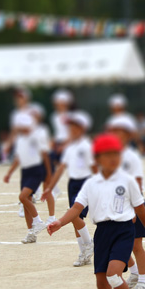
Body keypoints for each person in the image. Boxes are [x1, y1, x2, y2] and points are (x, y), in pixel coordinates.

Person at [47, 134, 145, 289]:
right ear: (97, 158)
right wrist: (60, 222)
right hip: (102, 233)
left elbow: (140, 209)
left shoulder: (127, 181)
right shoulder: (91, 183)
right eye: (107, 154)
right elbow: (77, 208)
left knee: (113, 275)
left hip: (124, 230)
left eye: (116, 153)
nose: (113, 158)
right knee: (101, 282)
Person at [44, 111, 96, 265]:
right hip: (73, 184)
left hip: (86, 183)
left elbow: (94, 168)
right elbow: (61, 168)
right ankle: (84, 252)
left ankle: (88, 245)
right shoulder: (70, 148)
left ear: (82, 128)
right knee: (74, 219)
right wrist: (49, 188)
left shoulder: (87, 146)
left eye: (74, 127)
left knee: (74, 216)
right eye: (70, 127)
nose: (71, 130)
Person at [108, 117, 145, 289]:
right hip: (116, 204)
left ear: (128, 135)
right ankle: (134, 273)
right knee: (118, 243)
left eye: (120, 132)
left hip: (133, 203)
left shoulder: (131, 157)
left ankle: (144, 281)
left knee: (136, 245)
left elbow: (138, 183)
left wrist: (133, 209)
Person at [4, 113, 48, 244]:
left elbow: (44, 154)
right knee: (26, 200)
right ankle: (31, 233)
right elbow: (18, 158)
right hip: (25, 171)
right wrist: (9, 173)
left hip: (36, 170)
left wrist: (48, 173)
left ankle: (38, 221)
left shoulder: (36, 137)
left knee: (22, 197)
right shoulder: (20, 140)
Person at [28, 103, 56, 224]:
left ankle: (52, 217)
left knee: (47, 188)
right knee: (28, 188)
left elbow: (44, 150)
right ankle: (34, 217)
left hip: (44, 160)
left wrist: (48, 170)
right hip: (34, 161)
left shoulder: (42, 130)